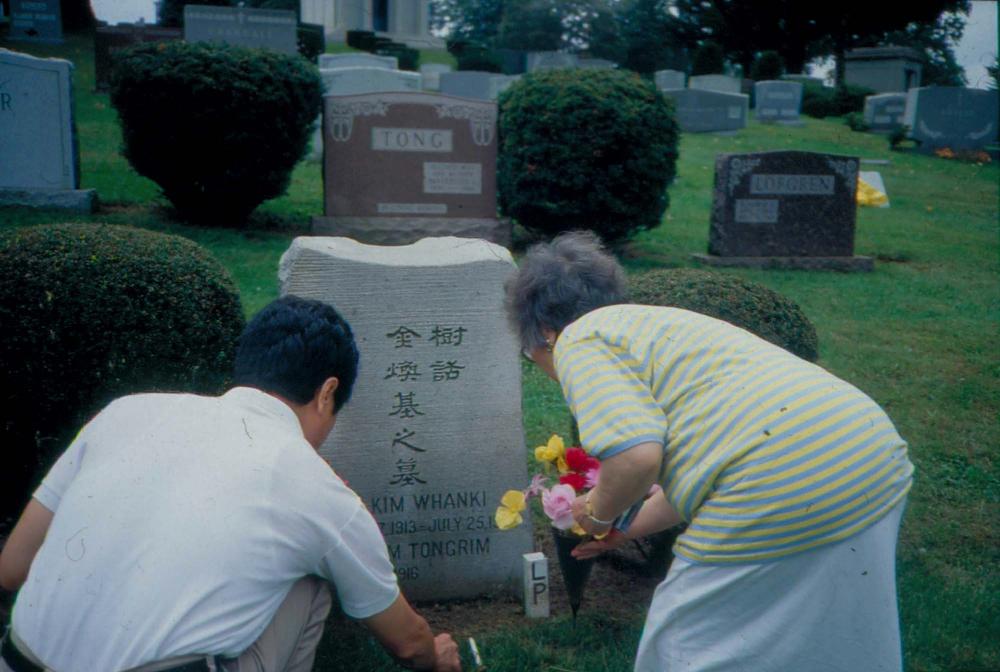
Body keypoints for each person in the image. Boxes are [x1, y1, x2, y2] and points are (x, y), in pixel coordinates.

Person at [507, 231, 914, 672]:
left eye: (530, 354)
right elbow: (702, 471)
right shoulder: (655, 324)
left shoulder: (578, 341)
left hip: (779, 474)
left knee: (683, 641)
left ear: (545, 332)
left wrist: (598, 514)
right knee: (829, 630)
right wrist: (629, 527)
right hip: (871, 452)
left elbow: (636, 458)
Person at [0, 295, 461, 672]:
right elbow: (407, 642)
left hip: (18, 661)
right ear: (326, 393)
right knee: (312, 579)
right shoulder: (313, 483)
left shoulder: (124, 411)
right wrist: (437, 658)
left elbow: (11, 567)